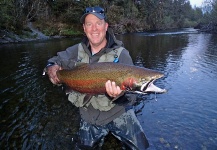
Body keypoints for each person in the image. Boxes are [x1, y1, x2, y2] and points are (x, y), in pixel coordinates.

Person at [44, 6, 149, 150]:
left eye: (98, 23)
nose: (94, 29)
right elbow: (53, 61)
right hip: (89, 117)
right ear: (84, 28)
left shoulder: (122, 54)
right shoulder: (75, 51)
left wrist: (119, 96)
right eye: (89, 24)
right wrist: (51, 67)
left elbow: (132, 98)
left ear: (106, 26)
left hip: (117, 114)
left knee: (141, 147)